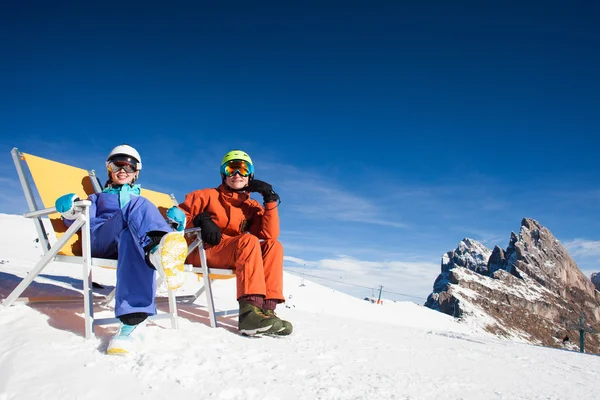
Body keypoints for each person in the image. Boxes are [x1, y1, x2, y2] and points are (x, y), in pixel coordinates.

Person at [54, 144, 188, 355]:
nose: (123, 170)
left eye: (130, 165)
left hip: (129, 244)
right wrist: (70, 210)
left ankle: (132, 324)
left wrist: (175, 226)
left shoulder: (139, 202)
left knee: (130, 236)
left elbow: (140, 226)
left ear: (136, 172)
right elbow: (79, 220)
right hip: (100, 240)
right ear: (109, 169)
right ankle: (157, 253)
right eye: (117, 164)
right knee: (139, 206)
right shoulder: (97, 198)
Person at [173, 149, 292, 336]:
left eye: (243, 169)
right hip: (203, 251)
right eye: (231, 169)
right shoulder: (205, 195)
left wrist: (269, 200)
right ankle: (249, 315)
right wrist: (199, 220)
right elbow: (176, 216)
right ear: (223, 174)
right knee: (248, 240)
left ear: (250, 175)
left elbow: (270, 234)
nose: (237, 174)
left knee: (274, 247)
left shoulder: (251, 206)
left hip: (235, 252)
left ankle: (266, 311)